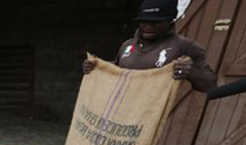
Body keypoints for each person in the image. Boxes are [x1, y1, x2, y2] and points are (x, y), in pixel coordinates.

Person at [83, 0, 217, 92]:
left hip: (155, 119)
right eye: (143, 21)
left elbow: (210, 85)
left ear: (170, 21)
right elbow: (117, 71)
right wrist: (98, 67)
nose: (147, 26)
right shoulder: (128, 45)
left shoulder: (183, 46)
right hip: (122, 115)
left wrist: (191, 72)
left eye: (154, 22)